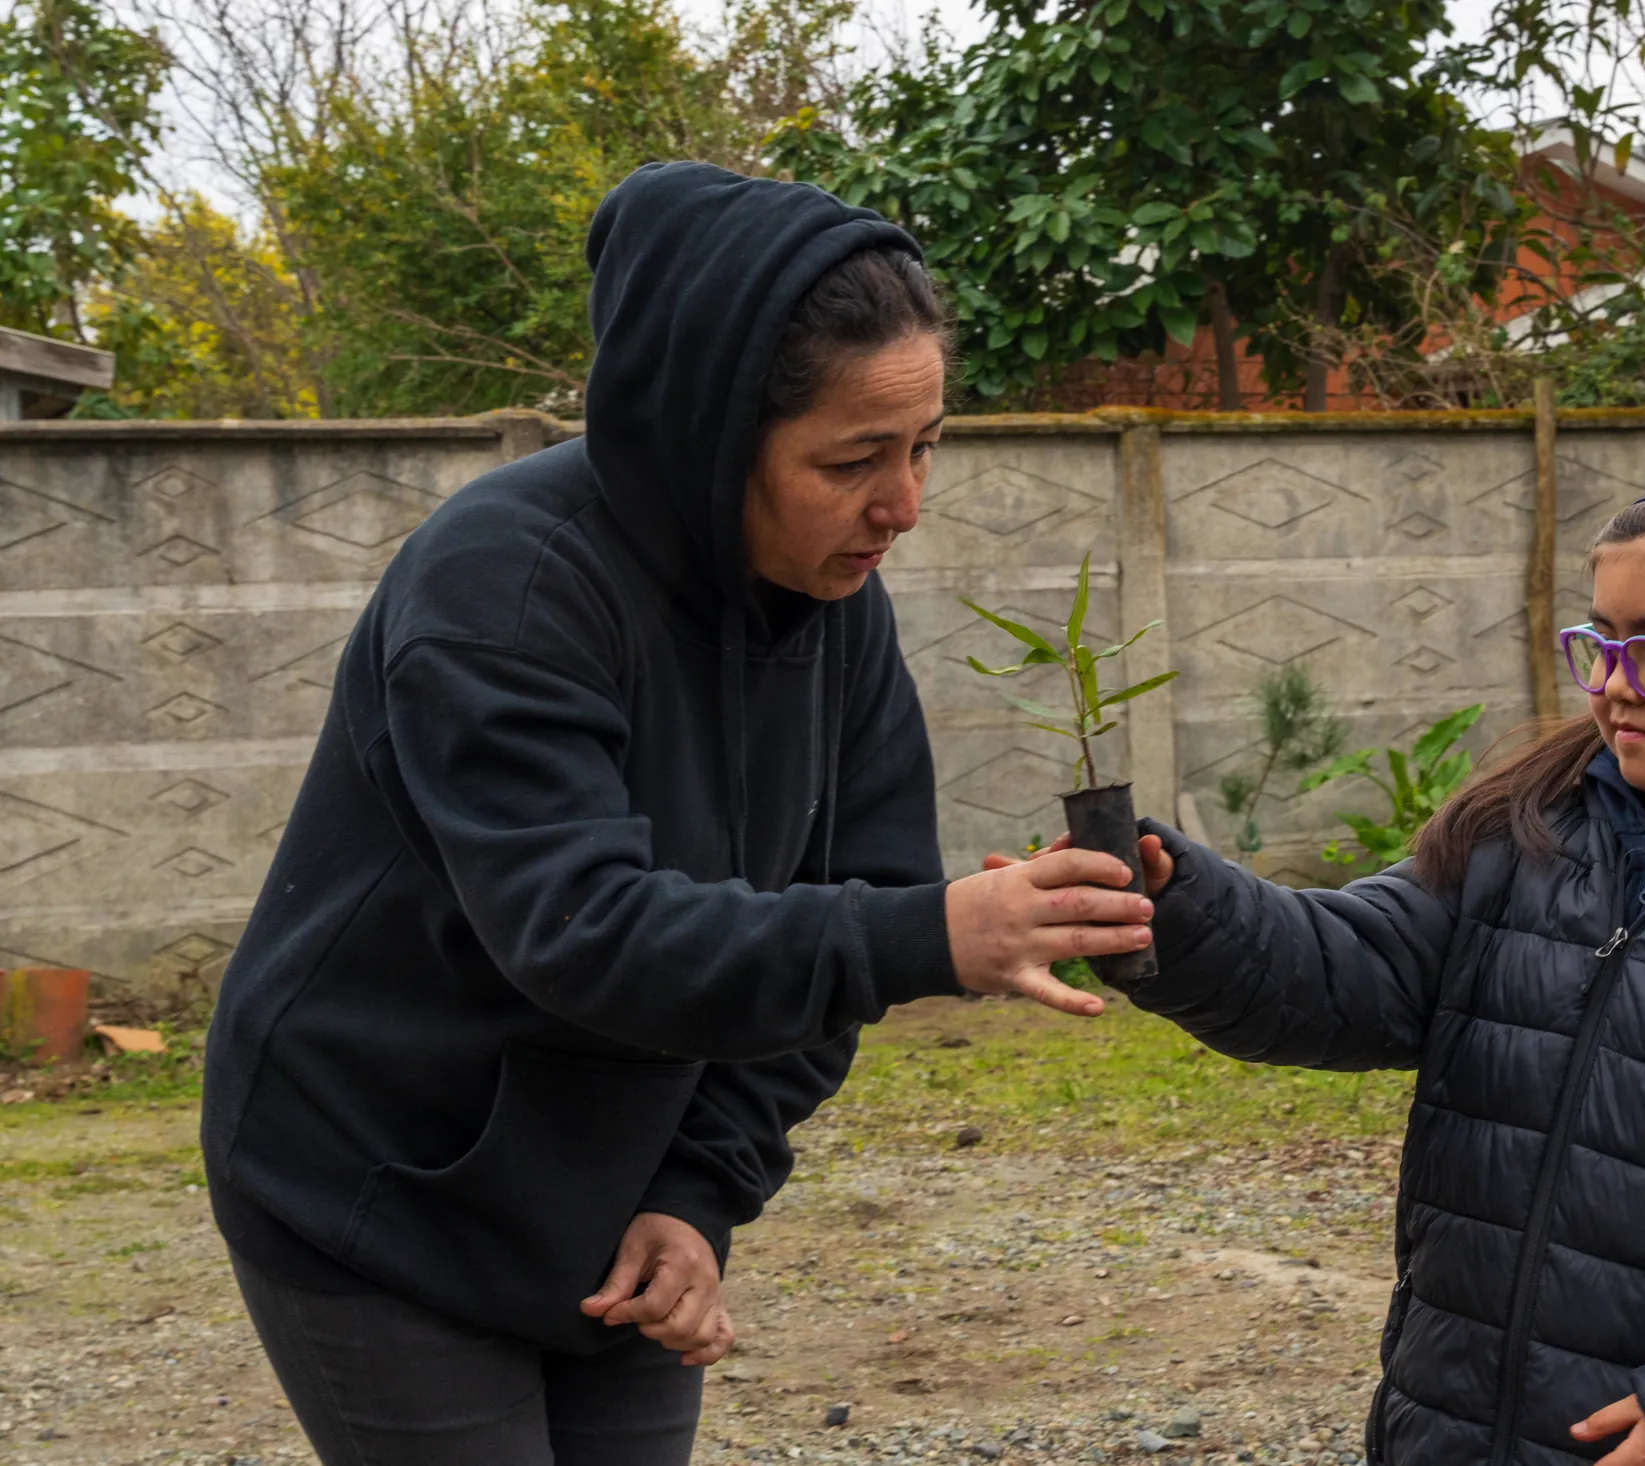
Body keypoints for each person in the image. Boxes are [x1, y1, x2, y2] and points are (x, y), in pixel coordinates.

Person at [199, 163, 1148, 1466]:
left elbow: (842, 918)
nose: (903, 505)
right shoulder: (504, 587)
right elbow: (584, 927)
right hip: (379, 1179)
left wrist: (699, 1187)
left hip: (617, 1190)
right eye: (853, 459)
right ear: (707, 434)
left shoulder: (835, 598)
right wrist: (931, 933)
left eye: (925, 444)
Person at [1024, 455, 1645, 1466]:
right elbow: (1339, 970)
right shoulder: (1520, 837)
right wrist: (1176, 906)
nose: (1613, 684)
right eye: (1600, 643)